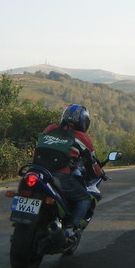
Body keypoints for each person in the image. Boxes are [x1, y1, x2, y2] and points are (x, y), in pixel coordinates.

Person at [33, 104, 103, 242]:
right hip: (59, 175)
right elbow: (91, 162)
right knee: (84, 199)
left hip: (36, 171)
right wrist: (98, 173)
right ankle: (70, 228)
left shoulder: (50, 128)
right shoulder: (82, 137)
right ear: (83, 122)